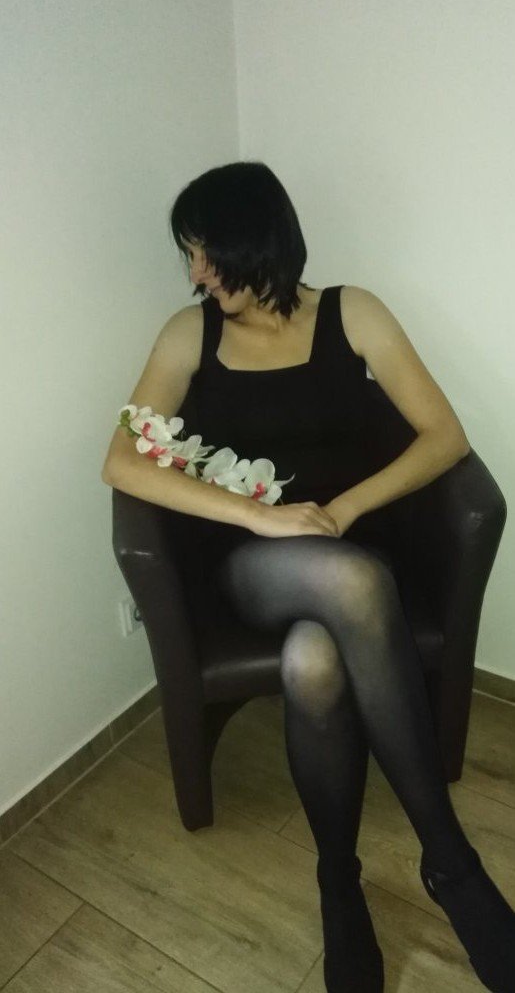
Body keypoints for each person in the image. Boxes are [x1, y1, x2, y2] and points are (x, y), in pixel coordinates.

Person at [102, 161, 515, 992]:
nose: (195, 273)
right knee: (351, 589)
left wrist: (343, 509)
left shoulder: (353, 312)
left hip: (353, 550)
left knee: (312, 660)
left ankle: (337, 881)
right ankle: (449, 862)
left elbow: (444, 436)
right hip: (249, 566)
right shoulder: (187, 336)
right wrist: (260, 518)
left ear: (254, 240)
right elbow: (121, 461)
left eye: (205, 252)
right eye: (189, 255)